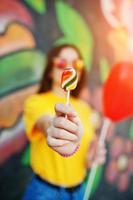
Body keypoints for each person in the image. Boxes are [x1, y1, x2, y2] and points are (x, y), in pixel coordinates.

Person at [22, 44, 106, 200]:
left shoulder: (85, 109)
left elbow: (84, 160)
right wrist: (53, 126)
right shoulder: (35, 102)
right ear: (50, 70)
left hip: (78, 192)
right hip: (45, 192)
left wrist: (92, 156)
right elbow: (45, 123)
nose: (69, 68)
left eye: (76, 64)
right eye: (61, 63)